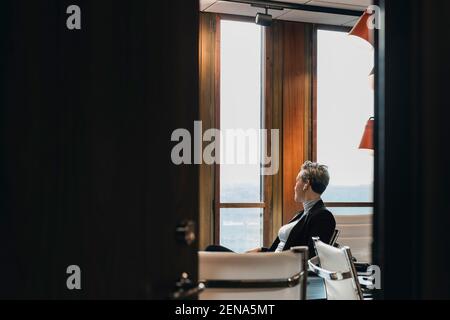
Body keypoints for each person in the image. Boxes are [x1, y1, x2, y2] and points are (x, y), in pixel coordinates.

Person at [206, 161, 336, 258]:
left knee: (211, 252)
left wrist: (268, 259)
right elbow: (284, 247)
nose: (294, 186)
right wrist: (261, 250)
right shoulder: (302, 214)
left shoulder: (323, 217)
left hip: (274, 269)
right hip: (269, 262)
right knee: (212, 250)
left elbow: (310, 258)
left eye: (297, 181)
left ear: (306, 184)